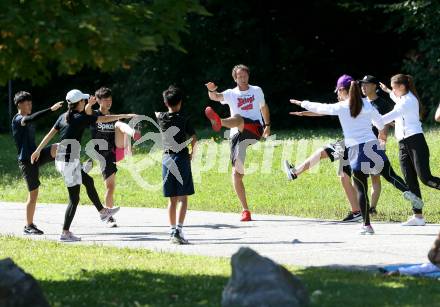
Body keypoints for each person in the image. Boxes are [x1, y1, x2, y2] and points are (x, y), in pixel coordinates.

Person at [290, 76, 423, 234]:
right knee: (390, 175)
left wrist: (302, 103)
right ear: (358, 89)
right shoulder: (367, 104)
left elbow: (320, 108)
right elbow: (380, 123)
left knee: (361, 189)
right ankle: (408, 192)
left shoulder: (341, 107)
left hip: (357, 152)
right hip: (373, 147)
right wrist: (379, 131)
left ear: (344, 90)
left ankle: (367, 226)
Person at [31, 89, 135, 242]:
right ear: (79, 103)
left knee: (88, 181)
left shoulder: (63, 117)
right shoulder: (81, 119)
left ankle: (102, 211)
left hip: (62, 161)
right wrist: (124, 116)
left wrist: (38, 150)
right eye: (84, 101)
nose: (86, 102)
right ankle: (65, 233)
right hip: (69, 164)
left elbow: (50, 134)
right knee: (74, 199)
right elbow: (104, 119)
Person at [286, 75, 360, 222]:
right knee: (344, 176)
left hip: (351, 143)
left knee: (322, 152)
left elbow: (323, 108)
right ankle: (357, 211)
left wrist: (302, 104)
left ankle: (295, 172)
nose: (337, 95)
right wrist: (304, 113)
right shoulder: (356, 103)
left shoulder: (346, 104)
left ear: (342, 90)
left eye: (338, 91)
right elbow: (325, 110)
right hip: (355, 143)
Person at [205, 64, 270, 222]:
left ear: (248, 76)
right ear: (235, 78)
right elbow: (215, 97)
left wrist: (267, 125)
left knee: (239, 118)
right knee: (237, 173)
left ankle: (219, 122)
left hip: (254, 128)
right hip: (237, 136)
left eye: (244, 75)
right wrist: (212, 89)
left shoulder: (256, 91)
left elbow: (264, 107)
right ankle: (245, 210)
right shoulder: (230, 93)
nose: (242, 78)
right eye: (239, 76)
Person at [380, 74, 440, 226]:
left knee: (426, 178)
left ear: (401, 87)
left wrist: (367, 118)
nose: (393, 90)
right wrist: (387, 91)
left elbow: (389, 117)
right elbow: (394, 97)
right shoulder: (401, 98)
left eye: (394, 87)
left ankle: (418, 216)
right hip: (402, 144)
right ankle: (418, 217)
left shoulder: (408, 101)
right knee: (410, 180)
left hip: (415, 142)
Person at [11, 91, 63, 235]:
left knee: (60, 147)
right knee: (33, 195)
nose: (29, 105)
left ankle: (68, 167)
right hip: (27, 162)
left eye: (30, 103)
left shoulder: (27, 119)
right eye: (26, 103)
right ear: (19, 105)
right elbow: (31, 118)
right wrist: (51, 110)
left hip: (36, 155)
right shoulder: (19, 119)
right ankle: (28, 225)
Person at [90, 87, 141, 227]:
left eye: (110, 100)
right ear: (98, 100)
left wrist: (128, 148)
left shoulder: (114, 117)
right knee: (110, 187)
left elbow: (119, 129)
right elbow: (89, 113)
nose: (108, 102)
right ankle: (108, 216)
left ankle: (133, 133)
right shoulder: (94, 115)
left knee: (119, 124)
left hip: (115, 151)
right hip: (102, 155)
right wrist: (88, 104)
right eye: (105, 100)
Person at [155, 86, 197, 244]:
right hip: (181, 158)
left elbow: (157, 113)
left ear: (166, 103)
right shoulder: (184, 119)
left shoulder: (161, 117)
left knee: (171, 199)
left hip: (166, 158)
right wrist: (192, 153)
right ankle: (179, 230)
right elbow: (194, 137)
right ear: (180, 102)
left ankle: (172, 231)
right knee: (183, 198)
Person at [359, 75, 397, 215]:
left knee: (375, 176)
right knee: (360, 176)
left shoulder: (382, 104)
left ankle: (372, 208)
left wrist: (383, 141)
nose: (363, 87)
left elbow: (387, 123)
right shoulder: (361, 103)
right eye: (362, 85)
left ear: (375, 86)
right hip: (361, 144)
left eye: (366, 84)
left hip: (375, 144)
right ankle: (360, 207)